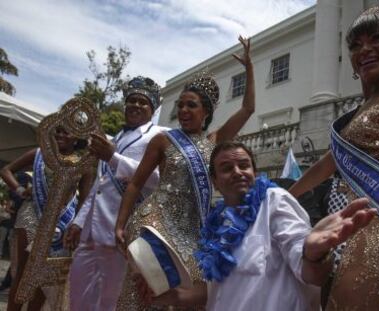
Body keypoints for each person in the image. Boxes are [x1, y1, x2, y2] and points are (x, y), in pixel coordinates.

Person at [133, 141, 376, 311]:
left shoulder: (274, 201)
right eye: (227, 168)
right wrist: (165, 298)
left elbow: (310, 271)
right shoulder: (215, 226)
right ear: (215, 182)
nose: (238, 172)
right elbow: (216, 292)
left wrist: (313, 254)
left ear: (254, 172)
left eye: (244, 165)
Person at [115, 36, 255, 310]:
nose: (183, 110)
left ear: (206, 112)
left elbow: (248, 108)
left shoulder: (215, 141)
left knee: (186, 299)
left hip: (193, 231)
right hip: (155, 223)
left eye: (191, 105)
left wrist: (249, 68)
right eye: (180, 105)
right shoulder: (163, 140)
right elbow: (135, 185)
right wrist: (120, 223)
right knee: (140, 297)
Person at [289, 4, 379, 310]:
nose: (365, 50)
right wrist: (282, 196)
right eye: (356, 45)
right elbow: (328, 162)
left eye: (377, 38)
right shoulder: (355, 115)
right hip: (354, 229)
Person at [66, 76, 168, 311]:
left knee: (110, 301)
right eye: (132, 101)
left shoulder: (159, 136)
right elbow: (99, 185)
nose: (136, 105)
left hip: (121, 230)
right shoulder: (115, 137)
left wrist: (113, 157)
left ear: (152, 109)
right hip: (91, 230)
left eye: (143, 102)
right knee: (78, 295)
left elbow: (156, 180)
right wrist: (79, 220)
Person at [0, 124, 94, 311]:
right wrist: (19, 189)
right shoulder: (39, 154)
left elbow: (85, 201)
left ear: (76, 138)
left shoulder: (84, 165)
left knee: (45, 278)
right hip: (31, 216)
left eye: (65, 131)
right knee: (23, 274)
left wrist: (76, 226)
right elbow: (6, 170)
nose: (60, 134)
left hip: (61, 224)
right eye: (57, 130)